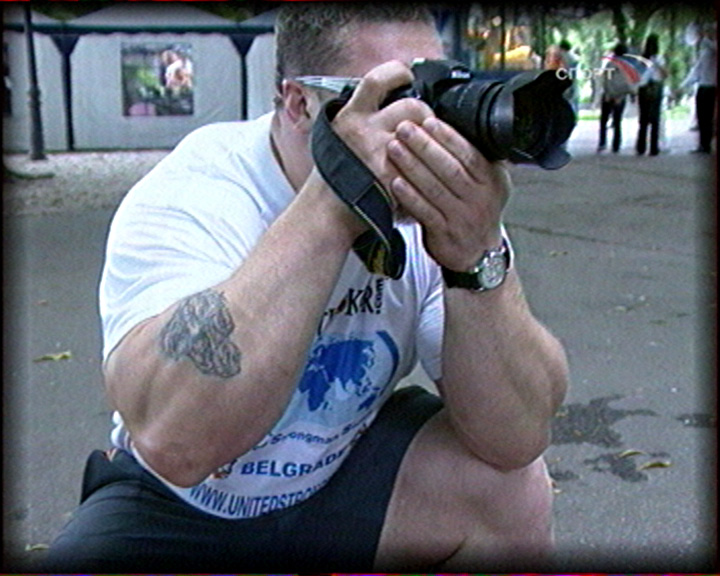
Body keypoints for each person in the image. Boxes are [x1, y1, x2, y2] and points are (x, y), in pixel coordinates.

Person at [45, 4, 569, 572]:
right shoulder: (195, 194)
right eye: (395, 99)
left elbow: (516, 436)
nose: (424, 130)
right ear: (299, 104)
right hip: (178, 502)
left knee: (510, 490)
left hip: (338, 473)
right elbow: (176, 442)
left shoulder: (428, 201)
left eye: (437, 93)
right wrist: (333, 202)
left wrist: (476, 257)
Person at [682, 23, 717, 154]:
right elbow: (697, 70)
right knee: (702, 117)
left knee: (707, 117)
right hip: (703, 85)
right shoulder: (705, 50)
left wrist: (705, 38)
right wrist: (684, 84)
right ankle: (703, 144)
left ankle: (706, 144)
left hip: (711, 86)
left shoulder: (712, 47)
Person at [635, 34, 668, 156]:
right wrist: (658, 65)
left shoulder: (641, 59)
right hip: (655, 87)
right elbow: (665, 74)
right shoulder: (659, 58)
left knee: (643, 118)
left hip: (644, 88)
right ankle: (653, 147)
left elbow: (637, 75)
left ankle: (641, 147)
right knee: (654, 119)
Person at [598, 42, 633, 153]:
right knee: (617, 121)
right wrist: (622, 96)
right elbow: (629, 84)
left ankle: (602, 142)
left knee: (604, 120)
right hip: (620, 97)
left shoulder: (610, 64)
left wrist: (608, 94)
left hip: (608, 96)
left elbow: (606, 80)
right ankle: (616, 145)